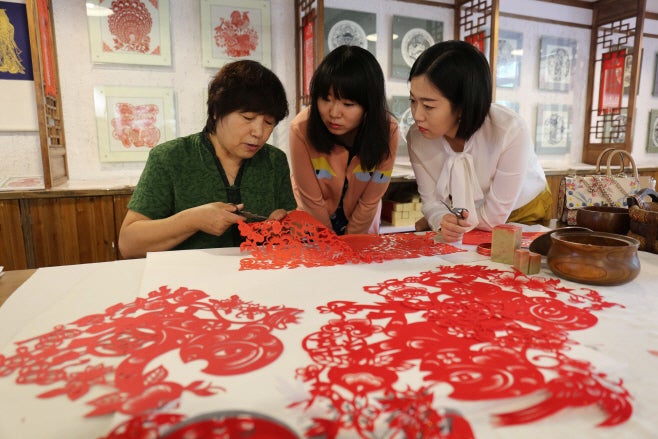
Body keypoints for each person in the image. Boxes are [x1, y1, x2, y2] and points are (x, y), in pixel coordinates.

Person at [118, 60, 296, 258]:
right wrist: (192, 220)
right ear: (216, 111)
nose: (259, 132)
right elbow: (128, 244)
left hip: (258, 280)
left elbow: (290, 231)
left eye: (269, 122)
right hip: (186, 283)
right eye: (247, 118)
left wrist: (281, 228)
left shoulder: (274, 160)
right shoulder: (170, 158)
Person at [407, 40, 551, 243]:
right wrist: (442, 220)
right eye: (413, 101)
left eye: (428, 106)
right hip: (468, 216)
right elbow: (431, 202)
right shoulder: (417, 137)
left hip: (524, 209)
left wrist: (450, 222)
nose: (417, 115)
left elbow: (494, 219)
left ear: (462, 106)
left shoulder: (508, 130)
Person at [289, 45, 399, 235]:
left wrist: (352, 239)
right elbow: (311, 199)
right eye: (325, 99)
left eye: (348, 104)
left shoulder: (388, 131)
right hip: (312, 218)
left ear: (369, 105)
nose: (333, 113)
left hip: (361, 218)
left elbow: (370, 199)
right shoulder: (301, 128)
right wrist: (328, 241)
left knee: (357, 261)